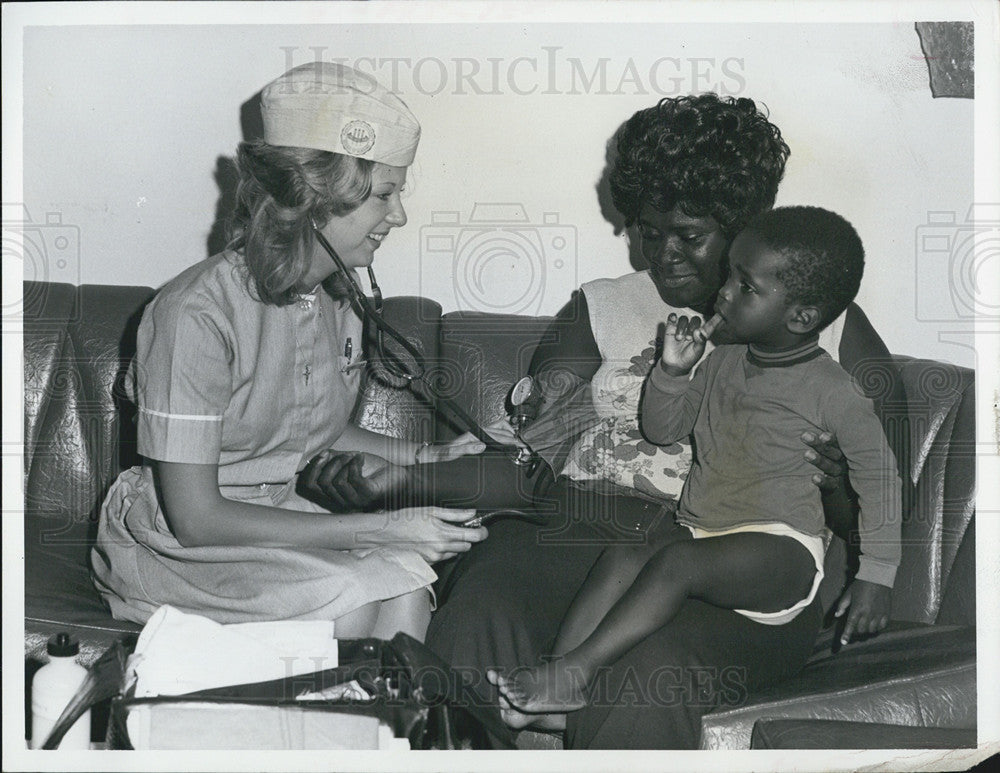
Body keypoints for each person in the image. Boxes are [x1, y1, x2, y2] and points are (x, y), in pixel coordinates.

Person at [301, 93, 907, 748]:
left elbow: (884, 496)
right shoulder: (602, 310)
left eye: (691, 237)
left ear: (746, 227)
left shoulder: (827, 330)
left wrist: (840, 492)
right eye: (647, 230)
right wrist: (410, 478)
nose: (662, 255)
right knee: (483, 605)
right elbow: (533, 462)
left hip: (736, 551)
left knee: (651, 673)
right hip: (580, 528)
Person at [91, 62, 489, 641]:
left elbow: (307, 433)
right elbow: (198, 518)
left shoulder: (336, 297)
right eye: (384, 196)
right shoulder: (194, 314)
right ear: (312, 201)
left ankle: (393, 730)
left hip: (279, 514)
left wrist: (428, 458)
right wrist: (379, 529)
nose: (398, 216)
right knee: (349, 604)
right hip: (182, 543)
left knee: (406, 586)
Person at [490, 206, 902, 716]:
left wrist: (877, 577)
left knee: (675, 562)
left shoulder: (833, 389)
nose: (725, 292)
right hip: (703, 533)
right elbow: (664, 430)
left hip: (782, 549)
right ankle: (560, 680)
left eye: (746, 286)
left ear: (800, 317)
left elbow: (881, 477)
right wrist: (672, 373)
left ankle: (575, 671)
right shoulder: (722, 360)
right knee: (626, 555)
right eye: (730, 273)